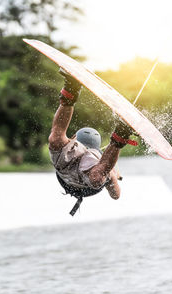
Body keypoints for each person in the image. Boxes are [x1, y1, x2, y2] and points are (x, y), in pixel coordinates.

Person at [48, 70, 138, 216]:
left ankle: (122, 133)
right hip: (65, 172)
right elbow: (61, 142)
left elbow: (116, 195)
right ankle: (71, 88)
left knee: (96, 176)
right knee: (55, 140)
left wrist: (111, 175)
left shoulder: (97, 160)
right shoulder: (71, 147)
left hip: (87, 184)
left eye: (88, 148)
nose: (85, 149)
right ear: (74, 139)